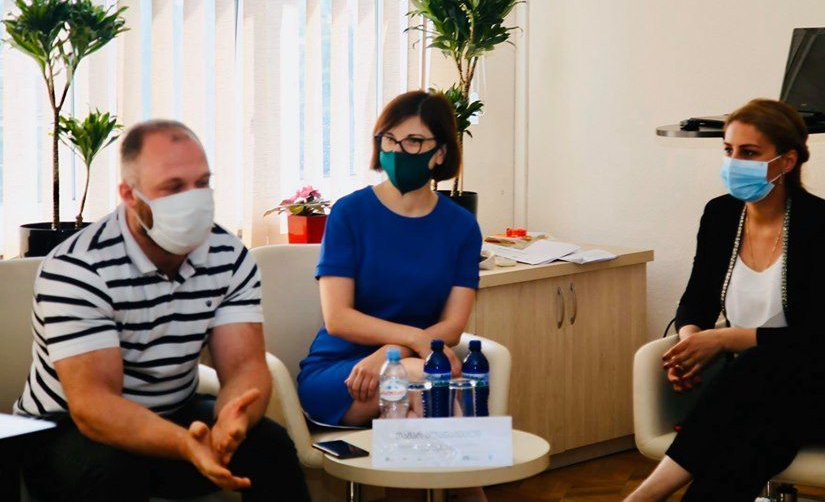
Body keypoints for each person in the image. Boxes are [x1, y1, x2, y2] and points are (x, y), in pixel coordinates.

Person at [15, 120, 310, 502]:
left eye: (202, 183)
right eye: (173, 187)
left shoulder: (228, 255)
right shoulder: (78, 266)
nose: (193, 198)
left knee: (270, 445)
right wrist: (185, 445)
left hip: (173, 412)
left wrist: (233, 420)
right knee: (116, 471)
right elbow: (93, 405)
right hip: (64, 429)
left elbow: (244, 366)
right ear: (129, 194)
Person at [625, 99, 825, 502]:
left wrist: (724, 339)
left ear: (787, 161)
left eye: (749, 153)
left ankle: (646, 495)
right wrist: (691, 343)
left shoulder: (822, 223)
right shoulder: (720, 215)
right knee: (751, 443)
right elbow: (696, 300)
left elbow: (823, 335)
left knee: (755, 371)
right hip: (761, 396)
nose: (734, 162)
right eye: (728, 150)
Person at [298, 90, 482, 426]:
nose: (397, 151)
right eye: (389, 139)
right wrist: (413, 342)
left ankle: (451, 464)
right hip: (342, 372)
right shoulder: (349, 213)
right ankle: (473, 461)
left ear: (440, 153)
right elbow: (338, 318)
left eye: (413, 141)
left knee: (415, 403)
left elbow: (453, 326)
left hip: (409, 363)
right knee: (427, 380)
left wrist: (391, 355)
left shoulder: (462, 227)